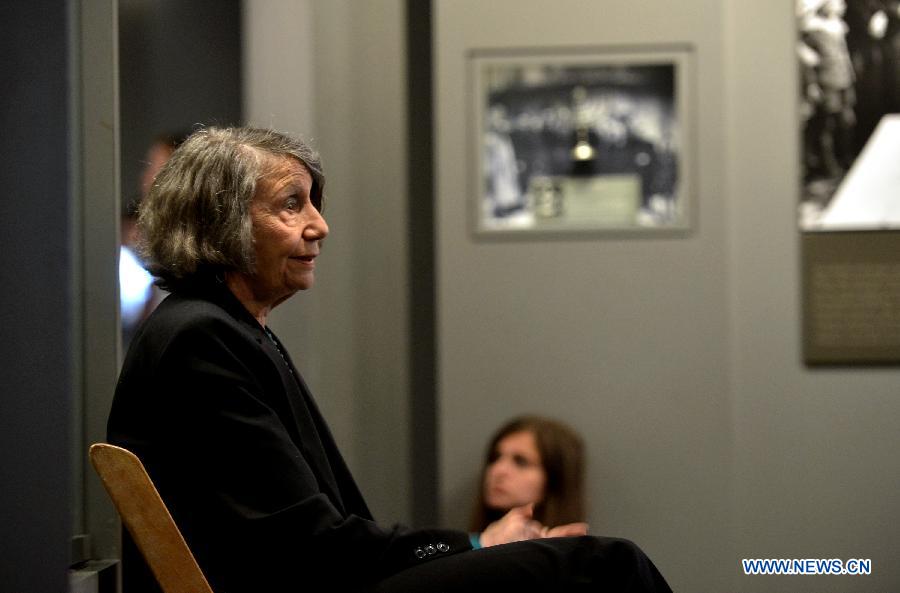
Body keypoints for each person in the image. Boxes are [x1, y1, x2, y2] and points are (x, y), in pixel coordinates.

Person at [107, 126, 673, 593]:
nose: (319, 226)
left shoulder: (218, 327)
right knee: (602, 567)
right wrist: (474, 544)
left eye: (314, 204)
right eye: (291, 204)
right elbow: (310, 545)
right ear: (219, 220)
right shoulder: (202, 337)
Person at [470, 415, 585, 533]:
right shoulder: (461, 545)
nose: (498, 470)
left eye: (521, 462)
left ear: (554, 479)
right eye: (495, 457)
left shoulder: (573, 550)